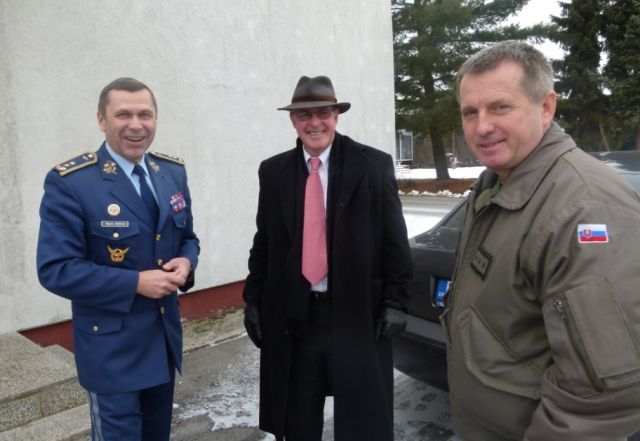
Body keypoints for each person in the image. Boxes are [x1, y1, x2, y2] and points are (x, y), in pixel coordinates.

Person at [444, 40, 640, 440]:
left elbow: (603, 397)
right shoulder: (499, 183)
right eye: (470, 112)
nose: (481, 127)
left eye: (500, 107)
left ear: (546, 107)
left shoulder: (584, 209)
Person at [242, 75, 412, 441]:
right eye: (304, 115)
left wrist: (396, 301)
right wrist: (252, 299)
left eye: (323, 113)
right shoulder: (273, 171)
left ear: (336, 115)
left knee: (361, 422)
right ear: (293, 121)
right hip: (296, 318)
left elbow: (394, 240)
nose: (314, 122)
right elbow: (264, 240)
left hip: (357, 314)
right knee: (298, 420)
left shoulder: (373, 165)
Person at [36, 77, 200, 441]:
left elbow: (187, 238)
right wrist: (135, 283)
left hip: (162, 342)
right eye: (123, 114)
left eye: (145, 114)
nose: (136, 125)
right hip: (111, 352)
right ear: (102, 120)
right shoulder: (72, 182)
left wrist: (187, 263)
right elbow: (55, 269)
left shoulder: (171, 172)